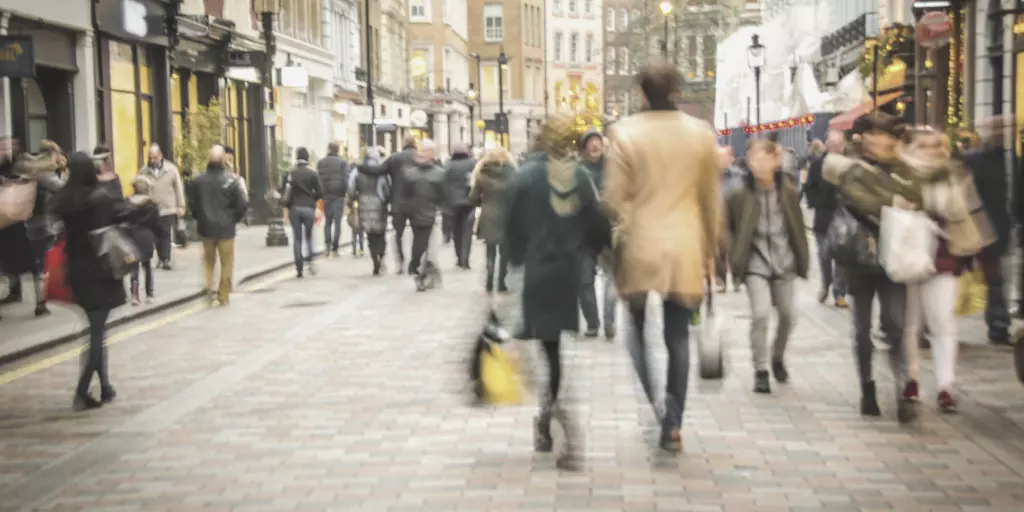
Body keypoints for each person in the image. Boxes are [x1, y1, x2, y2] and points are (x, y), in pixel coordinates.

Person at [603, 63, 719, 453]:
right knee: (677, 337)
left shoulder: (624, 133)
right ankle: (673, 420)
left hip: (641, 245)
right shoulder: (700, 135)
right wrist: (712, 249)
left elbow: (613, 199)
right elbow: (710, 200)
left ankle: (654, 399)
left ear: (641, 94)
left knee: (635, 328)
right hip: (686, 245)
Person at [504, 112, 609, 470]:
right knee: (554, 353)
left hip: (534, 274)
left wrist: (513, 266)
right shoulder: (577, 176)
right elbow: (598, 225)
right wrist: (587, 250)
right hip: (565, 273)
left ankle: (552, 418)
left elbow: (510, 231)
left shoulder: (524, 177)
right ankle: (550, 417)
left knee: (541, 353)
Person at [898, 126, 994, 414]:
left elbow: (970, 214)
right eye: (924, 146)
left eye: (937, 146)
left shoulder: (955, 174)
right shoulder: (900, 174)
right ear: (910, 149)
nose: (932, 152)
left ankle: (946, 386)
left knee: (943, 321)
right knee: (909, 325)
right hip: (907, 257)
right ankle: (910, 379)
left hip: (944, 255)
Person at [50, 152, 146, 410]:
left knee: (96, 328)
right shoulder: (98, 199)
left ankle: (104, 387)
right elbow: (123, 213)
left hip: (76, 269)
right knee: (96, 333)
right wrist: (142, 203)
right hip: (100, 267)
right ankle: (82, 393)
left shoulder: (65, 199)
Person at [725, 139, 808, 394]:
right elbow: (728, 228)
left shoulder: (788, 191)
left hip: (784, 262)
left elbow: (797, 226)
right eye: (753, 159)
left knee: (788, 315)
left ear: (775, 160)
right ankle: (760, 369)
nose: (758, 164)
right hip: (755, 263)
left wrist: (802, 258)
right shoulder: (739, 194)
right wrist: (732, 255)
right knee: (760, 314)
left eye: (763, 158)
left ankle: (777, 356)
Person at [962, 116, 1013, 345]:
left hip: (1001, 227)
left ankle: (998, 324)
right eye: (996, 127)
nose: (1001, 132)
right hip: (974, 225)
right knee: (959, 276)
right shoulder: (973, 159)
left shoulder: (1013, 160)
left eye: (1005, 127)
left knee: (996, 279)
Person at [187, 145, 248, 306]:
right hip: (226, 229)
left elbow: (192, 203)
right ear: (223, 160)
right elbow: (242, 204)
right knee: (226, 262)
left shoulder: (198, 181)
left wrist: (199, 217)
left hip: (206, 228)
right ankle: (223, 295)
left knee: (208, 261)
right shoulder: (231, 181)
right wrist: (234, 219)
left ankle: (209, 289)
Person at [577, 128, 617, 339]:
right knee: (584, 280)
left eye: (597, 142)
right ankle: (593, 323)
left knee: (612, 278)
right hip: (584, 233)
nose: (595, 146)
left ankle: (609, 321)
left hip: (610, 231)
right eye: (590, 143)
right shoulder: (577, 171)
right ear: (584, 148)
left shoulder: (614, 169)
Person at [803, 131, 849, 308]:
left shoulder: (848, 165)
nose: (836, 148)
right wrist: (816, 202)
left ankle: (839, 293)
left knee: (842, 257)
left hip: (844, 217)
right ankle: (825, 283)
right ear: (827, 145)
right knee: (824, 254)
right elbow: (809, 187)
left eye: (839, 145)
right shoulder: (817, 164)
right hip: (823, 217)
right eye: (833, 145)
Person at [469, 146, 516, 292]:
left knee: (490, 250)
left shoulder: (482, 175)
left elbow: (473, 198)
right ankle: (501, 282)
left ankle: (489, 281)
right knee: (505, 252)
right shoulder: (513, 174)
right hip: (507, 216)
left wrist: (482, 202)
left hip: (488, 215)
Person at [401, 139, 447, 277]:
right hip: (425, 211)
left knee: (420, 239)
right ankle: (418, 264)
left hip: (420, 211)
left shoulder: (410, 173)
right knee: (423, 240)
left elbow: (405, 194)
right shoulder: (438, 173)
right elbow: (443, 194)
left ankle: (418, 264)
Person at [137, 144, 185, 270]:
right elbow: (139, 187)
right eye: (150, 158)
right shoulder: (144, 170)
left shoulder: (171, 169)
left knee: (165, 233)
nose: (152, 160)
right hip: (152, 207)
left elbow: (178, 188)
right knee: (156, 234)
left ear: (160, 156)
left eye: (155, 158)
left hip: (168, 207)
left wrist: (181, 205)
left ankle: (166, 259)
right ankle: (162, 257)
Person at [373, 137, 418, 272]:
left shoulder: (394, 158)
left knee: (398, 234)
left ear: (403, 144)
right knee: (418, 234)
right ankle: (415, 262)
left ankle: (400, 262)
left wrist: (362, 166)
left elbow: (378, 170)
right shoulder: (420, 157)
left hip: (398, 202)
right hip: (417, 203)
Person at [283, 147, 324, 278]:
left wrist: (286, 210)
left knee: (297, 238)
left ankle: (299, 267)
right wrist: (313, 200)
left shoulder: (291, 173)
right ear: (308, 158)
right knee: (309, 236)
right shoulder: (313, 174)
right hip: (308, 208)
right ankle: (310, 260)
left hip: (294, 209)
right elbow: (320, 192)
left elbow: (286, 193)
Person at [350, 147, 390, 275]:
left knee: (370, 235)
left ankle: (375, 261)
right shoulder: (381, 171)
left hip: (363, 203)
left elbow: (350, 186)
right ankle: (381, 256)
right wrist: (387, 200)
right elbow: (386, 188)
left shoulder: (358, 170)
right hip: (379, 204)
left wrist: (353, 198)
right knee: (381, 233)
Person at [127, 176, 160, 305]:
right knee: (147, 266)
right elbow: (156, 224)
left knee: (133, 267)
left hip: (132, 237)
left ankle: (134, 296)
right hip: (146, 237)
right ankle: (149, 294)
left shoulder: (128, 202)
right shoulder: (152, 205)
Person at [444, 142, 476, 269]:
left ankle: (458, 257)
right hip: (469, 201)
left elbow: (444, 182)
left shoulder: (448, 165)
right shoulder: (472, 163)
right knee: (467, 232)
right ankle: (465, 258)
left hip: (453, 203)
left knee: (456, 232)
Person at [318, 142, 350, 256]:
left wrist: (321, 194)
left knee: (327, 222)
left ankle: (327, 246)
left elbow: (319, 180)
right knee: (337, 222)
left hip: (326, 196)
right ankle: (335, 248)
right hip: (339, 196)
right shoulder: (343, 163)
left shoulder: (321, 163)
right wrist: (346, 193)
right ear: (338, 150)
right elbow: (346, 180)